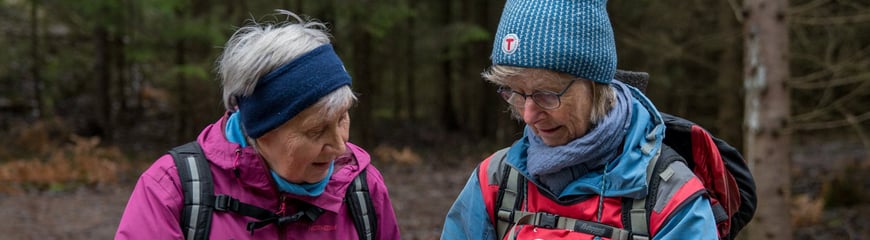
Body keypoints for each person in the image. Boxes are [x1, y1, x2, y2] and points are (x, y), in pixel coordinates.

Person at [441, 0, 718, 239]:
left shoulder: (669, 197)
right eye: (515, 93)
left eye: (546, 94)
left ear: (595, 86)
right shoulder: (495, 181)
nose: (528, 116)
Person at [116, 10, 400, 239]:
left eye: (342, 118)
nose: (340, 146)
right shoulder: (173, 191)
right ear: (261, 131)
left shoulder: (361, 189)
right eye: (316, 130)